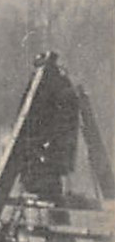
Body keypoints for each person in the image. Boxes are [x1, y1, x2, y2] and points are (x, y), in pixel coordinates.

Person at [20, 52, 80, 204]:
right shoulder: (59, 82)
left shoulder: (46, 84)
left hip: (45, 143)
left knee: (45, 183)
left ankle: (48, 217)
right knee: (44, 183)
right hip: (44, 144)